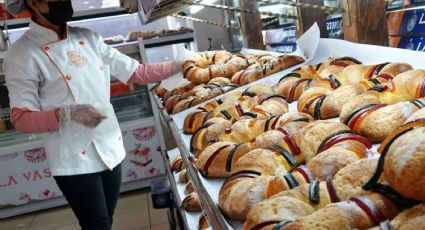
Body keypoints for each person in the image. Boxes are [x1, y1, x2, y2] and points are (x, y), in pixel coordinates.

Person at [4, 0, 181, 229]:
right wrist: (65, 114)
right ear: (35, 2)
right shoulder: (22, 54)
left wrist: (180, 65)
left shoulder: (88, 38)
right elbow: (21, 119)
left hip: (109, 146)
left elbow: (136, 71)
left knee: (106, 219)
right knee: (96, 224)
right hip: (72, 159)